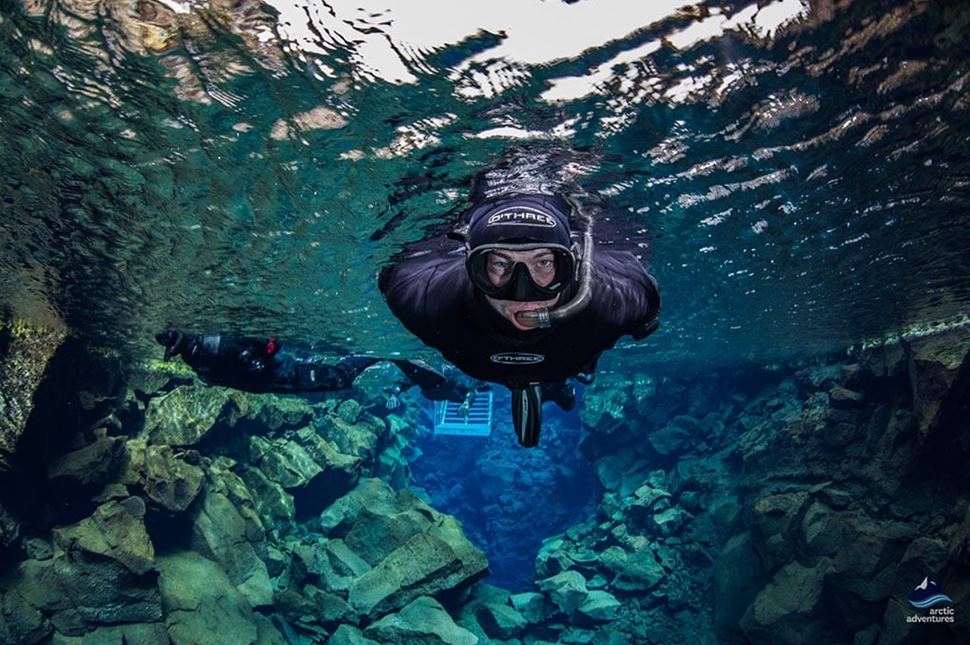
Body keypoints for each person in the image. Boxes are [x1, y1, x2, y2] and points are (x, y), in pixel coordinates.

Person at [379, 191, 660, 447]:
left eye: (544, 263)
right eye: (500, 264)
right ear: (472, 269)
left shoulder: (605, 300)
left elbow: (643, 294)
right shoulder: (433, 302)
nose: (521, 292)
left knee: (579, 372)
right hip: (557, 362)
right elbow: (393, 278)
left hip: (551, 363)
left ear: (571, 264)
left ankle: (549, 387)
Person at [154, 331, 450, 398]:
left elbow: (260, 356)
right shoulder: (210, 350)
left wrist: (268, 350)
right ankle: (389, 352)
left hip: (286, 376)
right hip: (281, 375)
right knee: (335, 369)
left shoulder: (203, 360)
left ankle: (390, 352)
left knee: (339, 377)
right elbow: (264, 351)